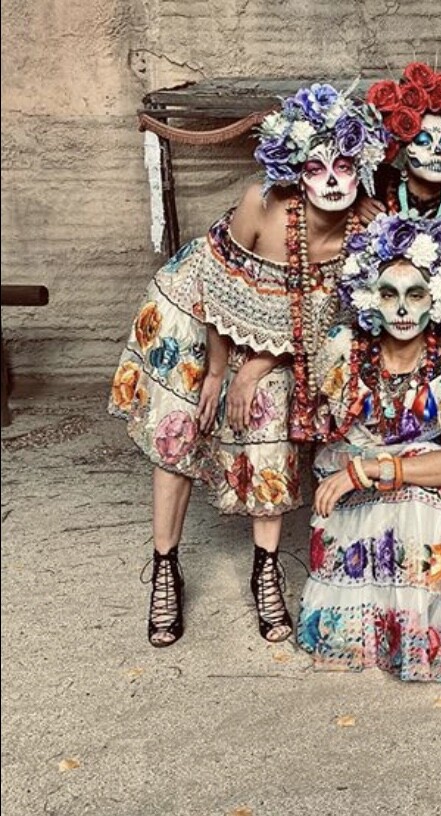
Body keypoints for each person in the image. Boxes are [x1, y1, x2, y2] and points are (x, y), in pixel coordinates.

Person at [109, 83, 388, 648]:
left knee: (267, 424)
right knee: (182, 429)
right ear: (295, 171)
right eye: (316, 167)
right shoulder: (261, 203)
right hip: (199, 313)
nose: (332, 181)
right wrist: (217, 373)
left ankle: (266, 569)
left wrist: (252, 371)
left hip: (281, 337)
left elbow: (320, 325)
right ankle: (165, 566)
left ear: (362, 167)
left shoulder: (365, 231)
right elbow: (219, 291)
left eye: (344, 166)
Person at [297, 213, 441, 683]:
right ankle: (363, 630)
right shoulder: (346, 353)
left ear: (437, 297)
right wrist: (351, 468)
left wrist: (369, 470)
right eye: (388, 294)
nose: (402, 309)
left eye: (416, 294)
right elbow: (322, 435)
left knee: (417, 500)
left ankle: (411, 634)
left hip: (412, 482)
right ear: (369, 297)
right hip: (349, 471)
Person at [363, 63, 441, 243]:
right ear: (404, 148)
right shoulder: (375, 188)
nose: (437, 150)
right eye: (423, 141)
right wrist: (356, 206)